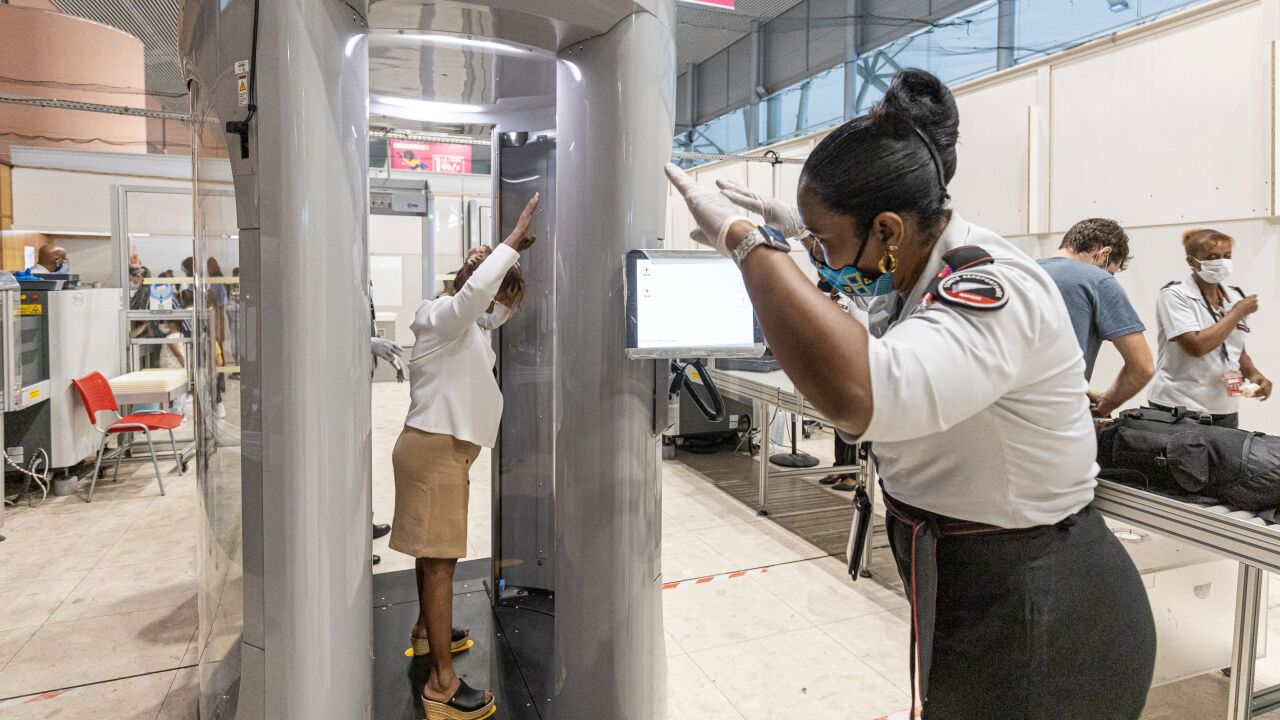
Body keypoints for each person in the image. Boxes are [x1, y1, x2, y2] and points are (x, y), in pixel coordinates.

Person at [666, 69, 1154, 719]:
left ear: (889, 231)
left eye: (829, 242)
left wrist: (751, 247)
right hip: (973, 582)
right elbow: (877, 313)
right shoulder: (922, 272)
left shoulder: (989, 289)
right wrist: (819, 250)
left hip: (1040, 606)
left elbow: (860, 396)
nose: (822, 259)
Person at [391, 192, 539, 720]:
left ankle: (426, 633)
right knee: (441, 563)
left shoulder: (466, 328)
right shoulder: (442, 317)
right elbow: (477, 300)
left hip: (439, 450)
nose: (496, 305)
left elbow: (491, 314)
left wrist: (511, 274)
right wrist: (510, 243)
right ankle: (443, 685)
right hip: (433, 452)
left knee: (432, 555)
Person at [1148, 228, 1272, 427]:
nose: (1221, 262)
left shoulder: (1235, 296)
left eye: (1227, 256)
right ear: (1192, 261)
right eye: (1213, 257)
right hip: (1179, 406)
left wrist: (1254, 374)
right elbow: (1196, 346)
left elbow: (1235, 350)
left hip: (1225, 408)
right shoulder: (1174, 295)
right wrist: (1237, 313)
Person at [1038, 218, 1153, 417]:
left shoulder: (1019, 272)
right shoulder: (1098, 280)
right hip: (1057, 414)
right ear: (1104, 254)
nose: (1110, 277)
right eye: (1111, 271)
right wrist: (1106, 403)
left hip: (1002, 408)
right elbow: (1142, 368)